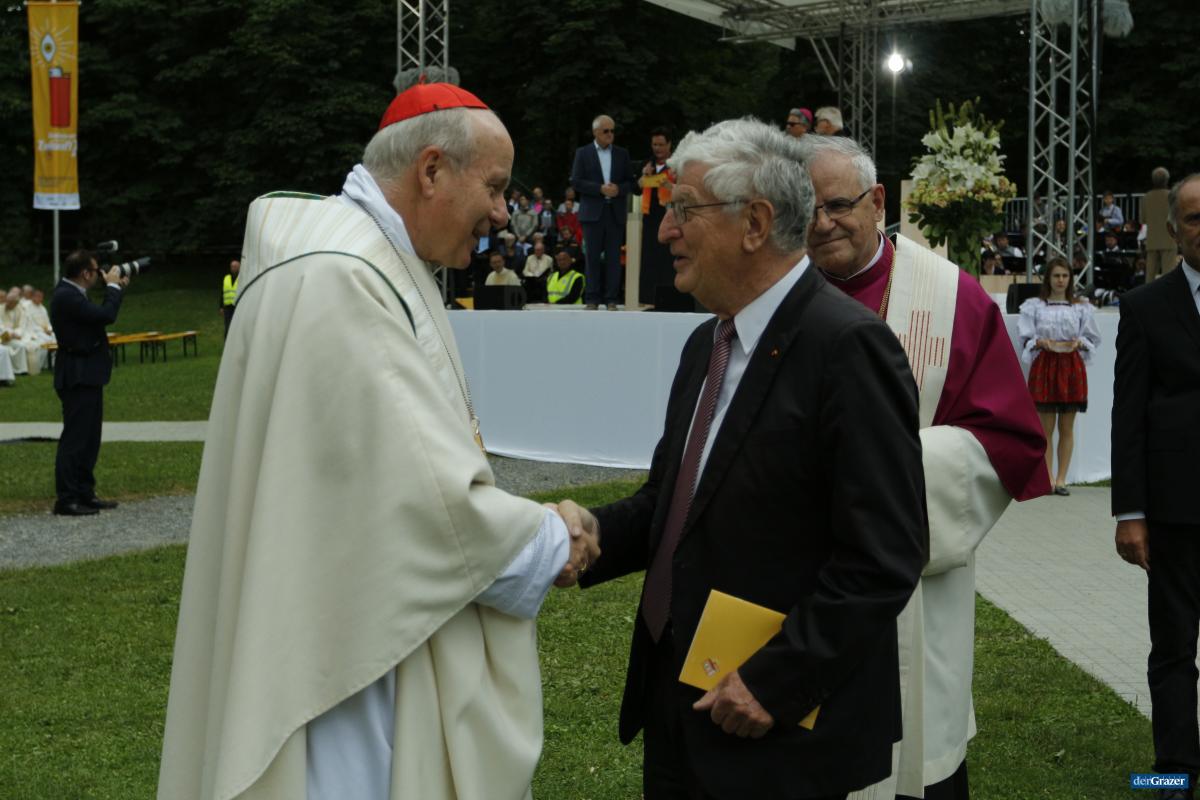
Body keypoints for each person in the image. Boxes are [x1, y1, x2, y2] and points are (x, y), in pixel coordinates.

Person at [157, 82, 600, 800]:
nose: (501, 213)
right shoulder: (344, 277)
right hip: (345, 663)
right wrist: (553, 538)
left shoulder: (342, 256)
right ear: (431, 170)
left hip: (333, 602)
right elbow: (425, 502)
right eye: (494, 187)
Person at [556, 118, 927, 799]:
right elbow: (673, 505)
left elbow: (885, 554)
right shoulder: (708, 344)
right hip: (681, 703)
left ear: (754, 223)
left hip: (774, 734)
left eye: (684, 209)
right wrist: (589, 533)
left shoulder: (847, 347)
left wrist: (774, 682)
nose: (666, 231)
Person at [798, 134, 1050, 800]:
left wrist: (877, 478)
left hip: (910, 595)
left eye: (838, 205)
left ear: (877, 201)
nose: (821, 224)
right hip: (798, 584)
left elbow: (1008, 442)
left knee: (912, 760)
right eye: (805, 210)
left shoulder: (951, 297)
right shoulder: (778, 294)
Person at [1112, 173, 1200, 800]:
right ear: (1173, 230)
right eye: (1194, 218)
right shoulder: (1145, 307)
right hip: (1174, 513)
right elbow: (1129, 414)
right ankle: (1174, 773)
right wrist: (1130, 512)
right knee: (1173, 649)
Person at [48, 249, 128, 516]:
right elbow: (105, 316)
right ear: (85, 273)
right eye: (95, 271)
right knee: (76, 438)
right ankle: (67, 497)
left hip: (87, 373)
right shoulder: (66, 296)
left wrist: (116, 290)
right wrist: (113, 287)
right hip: (77, 374)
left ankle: (84, 491)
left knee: (90, 437)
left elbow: (97, 316)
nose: (99, 275)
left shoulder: (74, 294)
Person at [1019, 257, 1101, 497]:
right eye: (1056, 276)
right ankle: (1048, 477)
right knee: (1046, 427)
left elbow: (1093, 338)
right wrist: (1039, 342)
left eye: (1065, 276)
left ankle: (1062, 478)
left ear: (1070, 279)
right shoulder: (1035, 306)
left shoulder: (1080, 307)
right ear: (1048, 278)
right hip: (1045, 364)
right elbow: (1026, 337)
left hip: (1070, 365)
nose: (1061, 280)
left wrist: (1079, 342)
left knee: (1067, 426)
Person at [571, 113, 633, 309]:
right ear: (595, 132)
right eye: (606, 131)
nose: (610, 134)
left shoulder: (622, 154)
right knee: (592, 258)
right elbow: (576, 181)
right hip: (592, 213)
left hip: (614, 212)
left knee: (614, 258)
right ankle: (592, 298)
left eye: (612, 131)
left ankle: (612, 298)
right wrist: (599, 189)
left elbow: (630, 182)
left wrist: (618, 189)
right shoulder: (583, 153)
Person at [638, 127, 675, 305]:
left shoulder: (677, 165)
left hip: (669, 215)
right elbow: (636, 187)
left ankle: (670, 298)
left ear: (669, 145)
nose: (657, 148)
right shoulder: (647, 164)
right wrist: (642, 178)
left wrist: (671, 185)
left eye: (661, 144)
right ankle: (647, 298)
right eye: (654, 145)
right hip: (649, 218)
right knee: (649, 258)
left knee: (668, 258)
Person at [1144, 167, 1176, 282]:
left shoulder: (1146, 197)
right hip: (1169, 238)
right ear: (1167, 180)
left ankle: (1148, 294)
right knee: (1169, 274)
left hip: (1152, 240)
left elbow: (1143, 219)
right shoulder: (1172, 196)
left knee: (1150, 275)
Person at [220, 258, 239, 339]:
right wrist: (221, 306)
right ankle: (226, 344)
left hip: (237, 307)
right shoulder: (226, 278)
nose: (233, 268)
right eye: (232, 266)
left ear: (239, 268)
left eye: (235, 266)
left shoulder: (242, 278)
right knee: (227, 327)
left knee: (236, 327)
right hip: (227, 307)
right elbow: (222, 293)